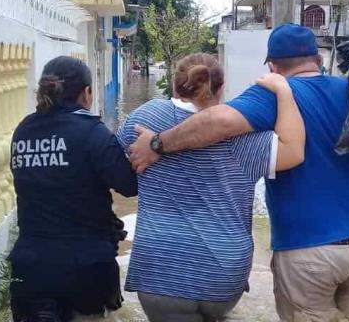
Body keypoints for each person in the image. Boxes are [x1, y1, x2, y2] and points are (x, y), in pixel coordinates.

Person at [129, 24, 349, 321]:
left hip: (312, 248)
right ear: (317, 59)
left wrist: (158, 143)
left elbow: (220, 121)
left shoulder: (273, 94)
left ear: (274, 66)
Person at [116, 53, 306, 322]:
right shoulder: (243, 136)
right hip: (223, 273)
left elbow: (114, 164)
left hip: (159, 271)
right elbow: (294, 151)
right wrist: (284, 92)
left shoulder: (144, 118)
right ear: (221, 86)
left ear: (175, 85)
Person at [8, 56, 137, 322]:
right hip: (85, 270)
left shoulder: (23, 131)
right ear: (87, 93)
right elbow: (129, 185)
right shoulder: (93, 133)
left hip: (31, 270)